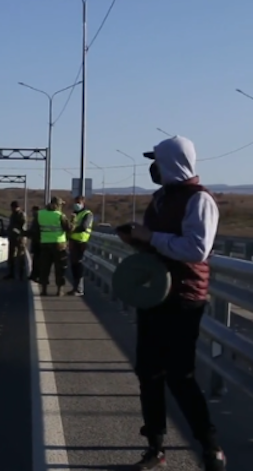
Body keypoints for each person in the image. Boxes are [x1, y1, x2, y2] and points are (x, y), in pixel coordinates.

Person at [118, 136, 225, 471]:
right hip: (154, 294)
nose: (154, 167)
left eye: (157, 161)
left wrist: (151, 237)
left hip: (183, 298)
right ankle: (156, 448)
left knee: (180, 376)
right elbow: (159, 246)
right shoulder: (160, 199)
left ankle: (210, 448)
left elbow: (196, 249)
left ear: (173, 162)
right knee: (149, 374)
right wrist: (137, 241)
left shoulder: (199, 200)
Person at [31, 197, 71, 296]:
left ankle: (44, 289)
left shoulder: (40, 214)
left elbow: (35, 229)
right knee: (60, 268)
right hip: (59, 245)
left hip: (45, 244)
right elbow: (69, 228)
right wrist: (73, 221)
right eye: (61, 205)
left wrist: (38, 240)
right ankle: (59, 290)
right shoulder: (60, 215)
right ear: (58, 205)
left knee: (44, 268)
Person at [67, 195, 93, 296]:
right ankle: (75, 287)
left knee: (78, 265)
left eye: (78, 203)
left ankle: (79, 289)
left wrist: (72, 229)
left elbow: (84, 226)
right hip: (73, 241)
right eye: (75, 202)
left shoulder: (87, 214)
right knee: (74, 265)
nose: (76, 204)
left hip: (81, 242)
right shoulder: (75, 214)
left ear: (83, 202)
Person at [3, 200, 27, 280]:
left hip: (20, 238)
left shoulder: (21, 215)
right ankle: (11, 273)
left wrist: (15, 230)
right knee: (11, 256)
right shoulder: (13, 214)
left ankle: (21, 274)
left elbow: (22, 227)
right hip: (12, 237)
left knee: (20, 256)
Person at [27, 205, 40, 281]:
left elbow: (34, 231)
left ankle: (36, 275)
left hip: (38, 242)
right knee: (35, 260)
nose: (32, 213)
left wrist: (27, 233)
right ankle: (34, 274)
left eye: (33, 211)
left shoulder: (37, 219)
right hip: (36, 241)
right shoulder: (36, 219)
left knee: (37, 260)